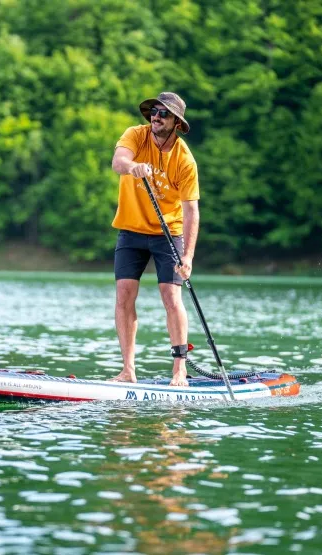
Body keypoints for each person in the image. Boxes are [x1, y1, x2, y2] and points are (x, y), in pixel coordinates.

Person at [110, 91, 199, 386]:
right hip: (131, 229)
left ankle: (179, 370)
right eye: (154, 111)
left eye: (164, 113)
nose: (156, 117)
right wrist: (132, 167)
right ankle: (128, 371)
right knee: (124, 294)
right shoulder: (136, 135)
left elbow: (191, 211)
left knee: (171, 296)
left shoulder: (184, 160)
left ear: (177, 123)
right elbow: (118, 161)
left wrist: (187, 257)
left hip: (167, 233)